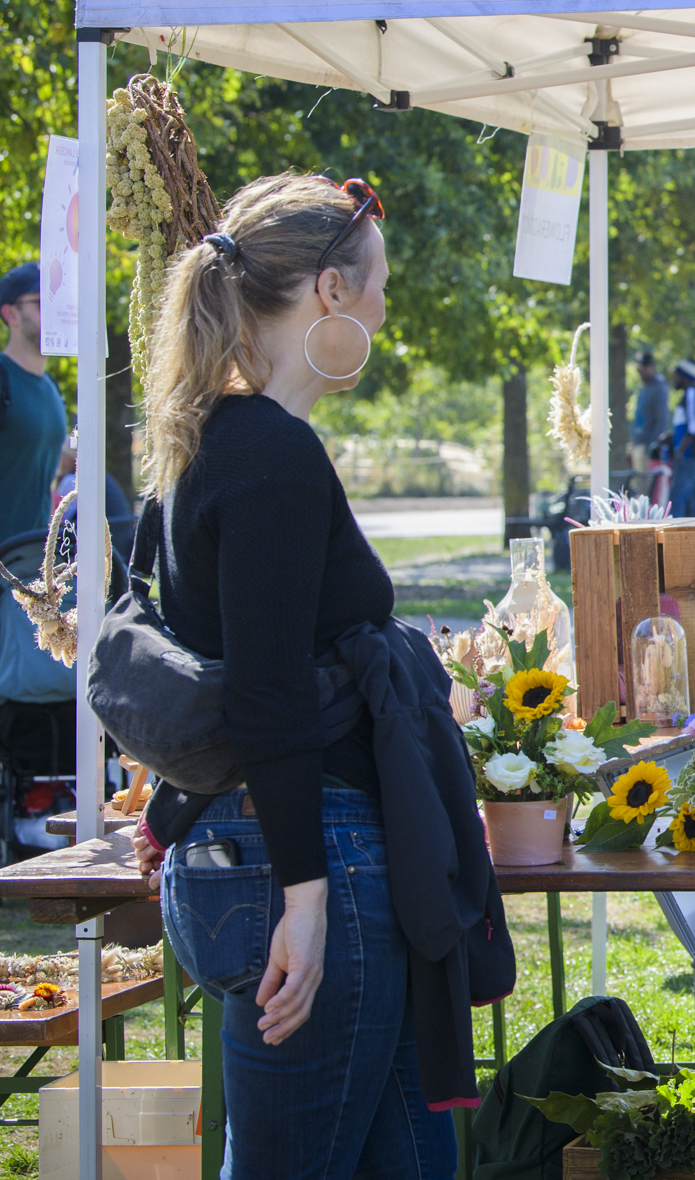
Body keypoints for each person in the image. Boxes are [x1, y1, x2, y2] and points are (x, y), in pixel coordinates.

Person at [128, 174, 471, 1176]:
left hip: (284, 842)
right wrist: (305, 897)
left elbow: (204, 653)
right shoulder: (269, 453)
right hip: (308, 853)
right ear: (329, 292)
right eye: (376, 287)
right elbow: (264, 690)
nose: (381, 308)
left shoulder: (218, 438)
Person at [0, 263, 75, 709]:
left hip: (23, 567)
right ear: (10, 314)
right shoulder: (3, 377)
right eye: (42, 304)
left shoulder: (49, 389)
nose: (57, 311)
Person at [630, 350, 672, 508]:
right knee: (639, 488)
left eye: (645, 368)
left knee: (649, 489)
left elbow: (661, 420)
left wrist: (653, 446)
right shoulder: (642, 388)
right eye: (640, 369)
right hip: (638, 444)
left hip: (649, 446)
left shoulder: (658, 387)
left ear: (652, 367)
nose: (642, 372)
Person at [667, 358, 695, 517]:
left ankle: (674, 534)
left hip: (690, 455)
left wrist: (680, 450)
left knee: (677, 497)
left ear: (685, 377)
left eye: (677, 375)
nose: (674, 379)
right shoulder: (692, 394)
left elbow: (693, 426)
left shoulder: (691, 393)